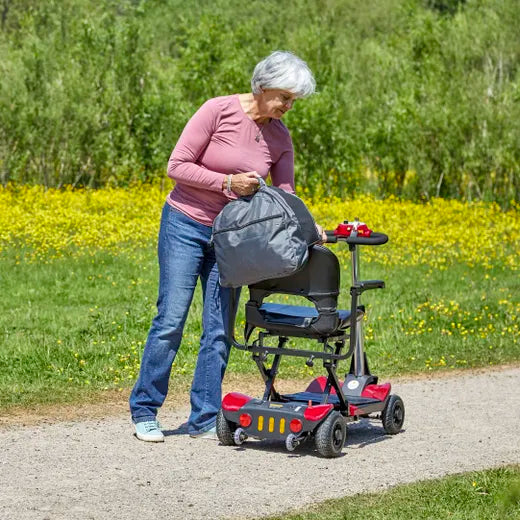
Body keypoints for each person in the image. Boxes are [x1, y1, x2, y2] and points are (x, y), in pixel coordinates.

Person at [129, 50, 323, 442]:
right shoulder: (218, 110)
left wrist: (307, 224)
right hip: (185, 224)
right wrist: (228, 184)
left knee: (219, 329)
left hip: (233, 242)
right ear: (263, 85)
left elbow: (285, 194)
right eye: (285, 97)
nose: (288, 106)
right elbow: (177, 166)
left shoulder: (280, 137)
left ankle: (204, 416)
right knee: (171, 319)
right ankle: (145, 410)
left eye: (293, 101)